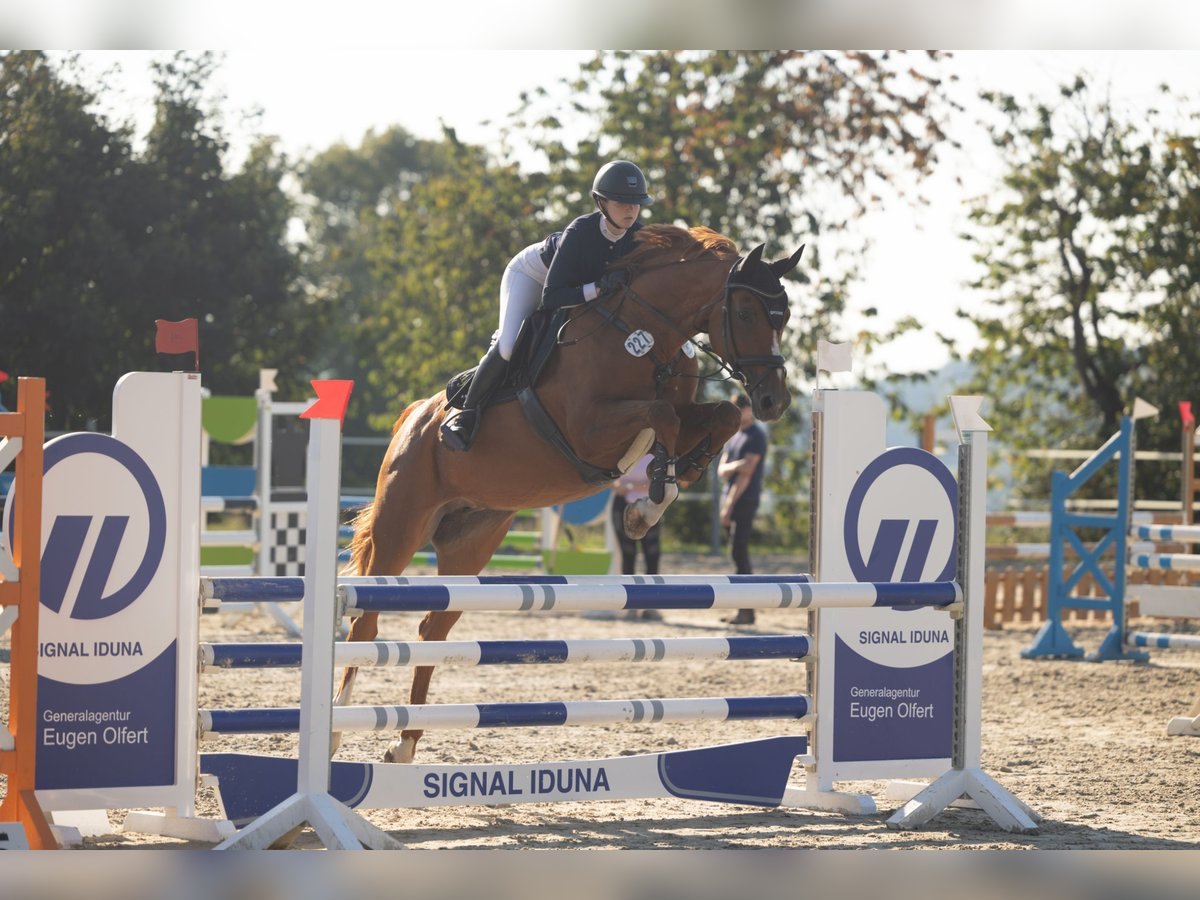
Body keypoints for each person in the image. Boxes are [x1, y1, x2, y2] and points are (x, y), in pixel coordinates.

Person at [440, 160, 654, 451]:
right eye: (622, 202)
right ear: (601, 203)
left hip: (571, 288)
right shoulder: (580, 232)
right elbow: (552, 297)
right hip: (532, 276)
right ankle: (466, 415)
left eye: (636, 203)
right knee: (508, 345)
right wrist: (600, 287)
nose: (631, 210)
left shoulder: (639, 237)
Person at [718, 393, 768, 625]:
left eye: (743, 407)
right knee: (737, 553)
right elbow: (722, 470)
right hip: (732, 497)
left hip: (744, 499)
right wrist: (738, 466)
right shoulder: (735, 436)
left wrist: (728, 505)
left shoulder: (756, 435)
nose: (741, 411)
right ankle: (743, 608)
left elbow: (746, 475)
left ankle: (746, 609)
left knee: (740, 553)